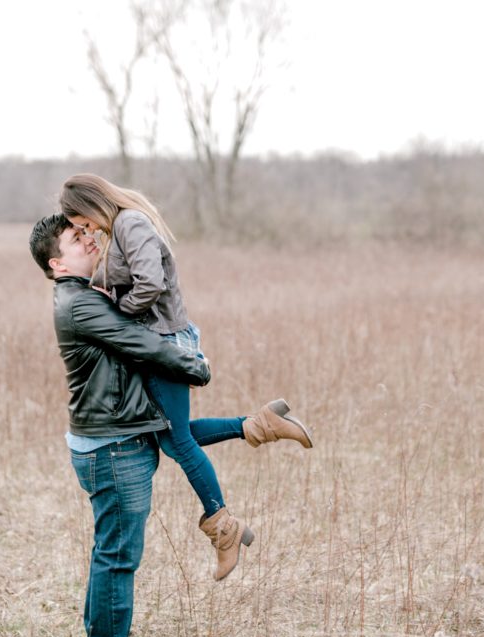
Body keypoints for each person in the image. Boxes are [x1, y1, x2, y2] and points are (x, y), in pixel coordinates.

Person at [58, 173, 313, 579]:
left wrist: (116, 315)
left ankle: (224, 527)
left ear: (91, 204)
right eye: (80, 229)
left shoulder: (130, 223)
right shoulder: (118, 228)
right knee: (170, 436)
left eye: (83, 222)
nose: (87, 230)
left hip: (164, 342)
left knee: (177, 441)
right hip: (156, 341)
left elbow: (150, 285)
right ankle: (261, 425)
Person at [30, 214, 210, 637]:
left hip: (112, 438)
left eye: (86, 231)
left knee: (110, 549)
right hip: (112, 445)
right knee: (118, 555)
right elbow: (141, 342)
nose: (89, 240)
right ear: (57, 264)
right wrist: (195, 366)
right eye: (76, 239)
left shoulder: (85, 295)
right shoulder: (80, 305)